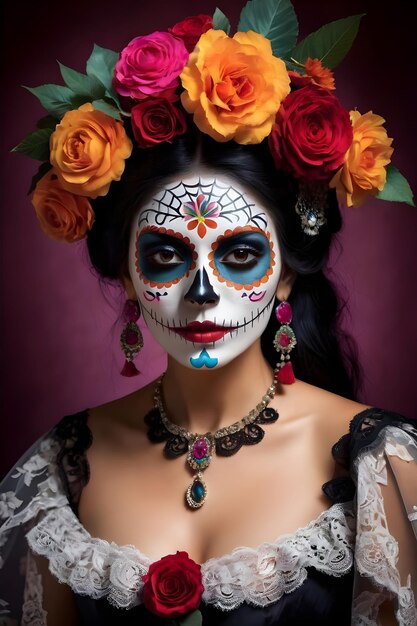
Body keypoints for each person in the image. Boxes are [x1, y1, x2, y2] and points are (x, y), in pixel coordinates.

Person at [1, 2, 416, 625]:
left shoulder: (385, 468)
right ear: (126, 274)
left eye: (241, 254)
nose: (202, 290)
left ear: (285, 276)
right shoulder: (60, 473)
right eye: (166, 255)